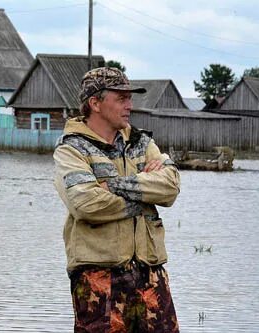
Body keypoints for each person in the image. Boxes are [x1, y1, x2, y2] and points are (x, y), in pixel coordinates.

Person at [53, 67, 181, 333]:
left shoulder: (141, 142)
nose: (129, 105)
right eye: (121, 98)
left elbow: (170, 186)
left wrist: (112, 186)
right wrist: (144, 196)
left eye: (129, 98)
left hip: (150, 273)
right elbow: (85, 204)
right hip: (98, 276)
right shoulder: (71, 150)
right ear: (95, 103)